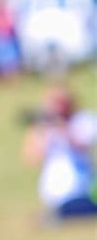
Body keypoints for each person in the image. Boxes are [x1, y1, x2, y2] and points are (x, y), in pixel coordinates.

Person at [22, 86, 97, 219]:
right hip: (53, 195)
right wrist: (39, 129)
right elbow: (31, 158)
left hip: (80, 189)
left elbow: (83, 145)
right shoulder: (44, 127)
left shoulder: (83, 120)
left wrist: (62, 125)